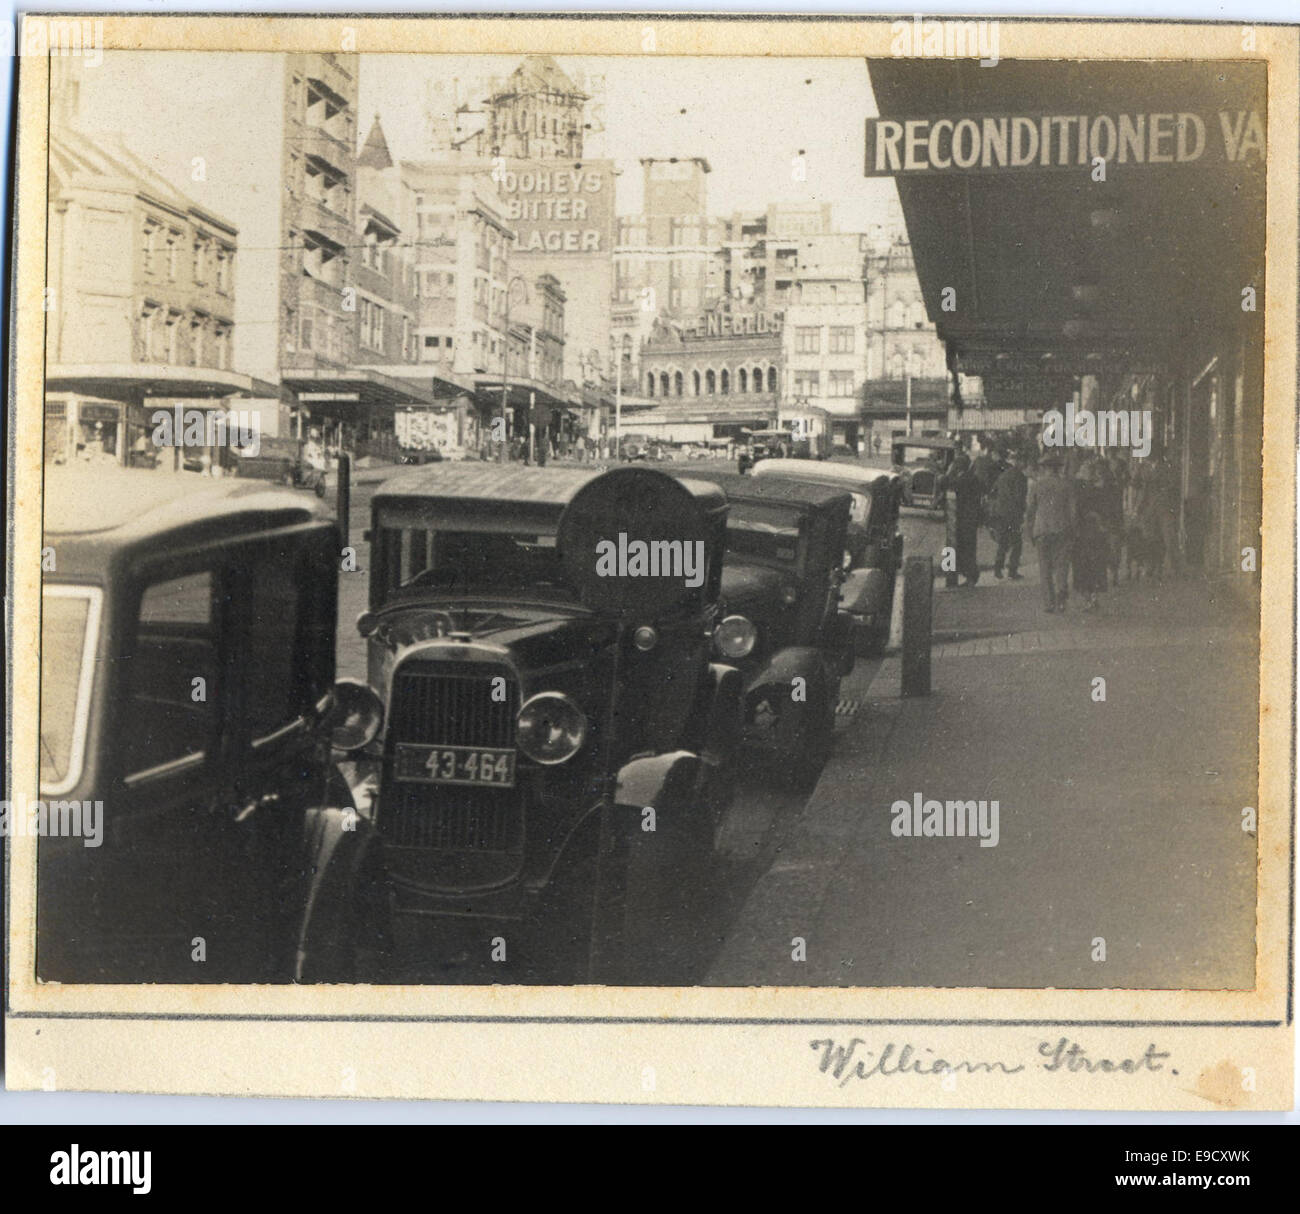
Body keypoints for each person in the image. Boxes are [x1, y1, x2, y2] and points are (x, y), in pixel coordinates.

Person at [1024, 451, 1075, 612]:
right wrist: (1073, 530)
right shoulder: (1067, 485)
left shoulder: (1036, 486)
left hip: (1042, 531)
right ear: (1058, 468)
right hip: (1062, 530)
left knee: (1045, 569)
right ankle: (1061, 598)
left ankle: (1049, 603)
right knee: (1062, 567)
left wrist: (1029, 531)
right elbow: (1073, 511)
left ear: (1044, 468)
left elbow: (1030, 511)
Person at [939, 451, 984, 587]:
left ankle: (951, 578)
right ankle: (971, 576)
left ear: (957, 467)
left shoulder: (959, 481)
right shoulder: (974, 479)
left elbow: (944, 484)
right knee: (969, 549)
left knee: (952, 548)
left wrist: (948, 472)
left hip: (958, 519)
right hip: (971, 519)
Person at [1072, 458, 1111, 611]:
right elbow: (1105, 512)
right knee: (1097, 565)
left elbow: (1075, 513)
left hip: (1082, 534)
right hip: (1097, 533)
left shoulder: (1078, 491)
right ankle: (1093, 598)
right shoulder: (1100, 491)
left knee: (1082, 566)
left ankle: (1088, 599)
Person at [987, 450, 1028, 580]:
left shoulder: (1003, 475)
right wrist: (1022, 512)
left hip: (1000, 514)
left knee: (1003, 542)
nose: (1025, 464)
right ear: (1020, 462)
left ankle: (998, 568)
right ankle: (1012, 570)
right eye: (1024, 462)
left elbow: (993, 491)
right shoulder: (1020, 477)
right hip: (1013, 515)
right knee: (1017, 543)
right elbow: (1019, 498)